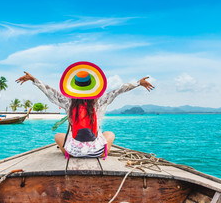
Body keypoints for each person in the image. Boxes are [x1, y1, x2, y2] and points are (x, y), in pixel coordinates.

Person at [16, 61, 154, 159]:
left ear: (73, 87)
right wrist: (137, 83)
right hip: (97, 153)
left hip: (73, 153)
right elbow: (119, 90)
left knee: (57, 136)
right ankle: (99, 151)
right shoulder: (99, 102)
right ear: (93, 86)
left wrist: (34, 80)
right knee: (109, 134)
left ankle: (77, 149)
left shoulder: (69, 103)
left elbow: (51, 92)